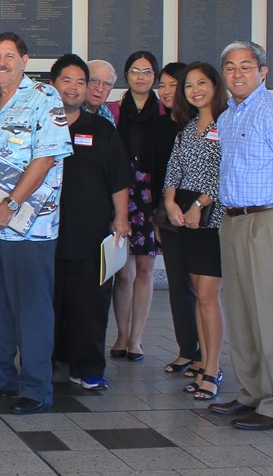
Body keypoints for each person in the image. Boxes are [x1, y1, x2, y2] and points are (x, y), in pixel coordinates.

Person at [208, 40, 273, 431]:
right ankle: (251, 392)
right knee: (241, 312)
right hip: (234, 219)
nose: (237, 74)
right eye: (231, 68)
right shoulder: (229, 117)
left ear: (263, 72)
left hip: (269, 219)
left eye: (246, 67)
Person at [0, 32, 71, 415]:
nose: (1, 62)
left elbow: (44, 159)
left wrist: (11, 203)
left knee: (32, 307)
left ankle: (35, 387)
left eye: (10, 55)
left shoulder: (45, 99)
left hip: (30, 228)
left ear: (25, 60)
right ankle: (2, 377)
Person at [49, 54, 130, 392]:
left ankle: (89, 367)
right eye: (67, 80)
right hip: (44, 233)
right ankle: (50, 361)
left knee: (90, 303)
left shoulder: (101, 130)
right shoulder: (40, 123)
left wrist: (122, 218)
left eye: (81, 82)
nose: (74, 87)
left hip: (91, 233)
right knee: (49, 301)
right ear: (53, 84)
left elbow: (119, 179)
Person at [162, 62, 228, 402]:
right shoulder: (187, 128)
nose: (195, 90)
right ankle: (202, 361)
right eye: (189, 85)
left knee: (207, 295)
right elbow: (174, 167)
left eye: (202, 83)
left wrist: (198, 205)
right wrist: (171, 201)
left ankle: (214, 369)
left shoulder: (228, 122)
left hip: (212, 216)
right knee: (196, 293)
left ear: (215, 86)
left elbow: (225, 172)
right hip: (184, 215)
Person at [108, 51, 165, 362]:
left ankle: (136, 338)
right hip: (121, 193)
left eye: (147, 71)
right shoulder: (113, 111)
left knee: (145, 268)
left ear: (154, 76)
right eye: (134, 71)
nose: (141, 77)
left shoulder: (164, 111)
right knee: (123, 271)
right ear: (126, 76)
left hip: (152, 196)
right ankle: (119, 333)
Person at [154, 62, 203, 377]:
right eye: (164, 85)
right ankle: (187, 350)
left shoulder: (203, 123)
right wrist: (161, 213)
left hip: (200, 213)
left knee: (203, 289)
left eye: (176, 84)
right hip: (169, 211)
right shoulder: (160, 126)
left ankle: (207, 357)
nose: (168, 91)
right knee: (177, 285)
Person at [85, 60, 117, 124]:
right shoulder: (70, 111)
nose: (100, 89)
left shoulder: (107, 115)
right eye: (94, 81)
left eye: (107, 84)